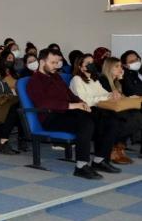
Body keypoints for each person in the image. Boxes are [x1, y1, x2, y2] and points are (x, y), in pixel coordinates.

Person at [27, 49, 117, 179]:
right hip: (51, 117)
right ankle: (81, 166)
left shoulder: (56, 76)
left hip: (68, 113)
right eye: (52, 63)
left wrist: (81, 102)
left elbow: (70, 94)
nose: (56, 66)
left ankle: (99, 160)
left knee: (107, 117)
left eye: (57, 63)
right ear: (41, 62)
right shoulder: (35, 81)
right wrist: (72, 105)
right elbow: (43, 103)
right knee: (86, 122)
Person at [70, 54, 134, 165]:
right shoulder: (76, 79)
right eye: (88, 63)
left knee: (114, 120)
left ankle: (101, 159)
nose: (91, 65)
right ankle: (102, 157)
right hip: (84, 111)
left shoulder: (93, 80)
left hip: (97, 109)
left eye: (92, 63)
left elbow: (104, 93)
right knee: (112, 120)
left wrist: (112, 94)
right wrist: (106, 96)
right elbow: (85, 100)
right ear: (80, 67)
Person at [99, 57, 142, 162]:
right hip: (105, 111)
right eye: (117, 66)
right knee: (134, 117)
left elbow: (122, 96)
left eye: (121, 66)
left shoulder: (117, 82)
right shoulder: (103, 80)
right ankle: (115, 148)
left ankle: (119, 147)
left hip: (117, 109)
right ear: (109, 68)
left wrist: (121, 81)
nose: (120, 69)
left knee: (136, 114)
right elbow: (108, 99)